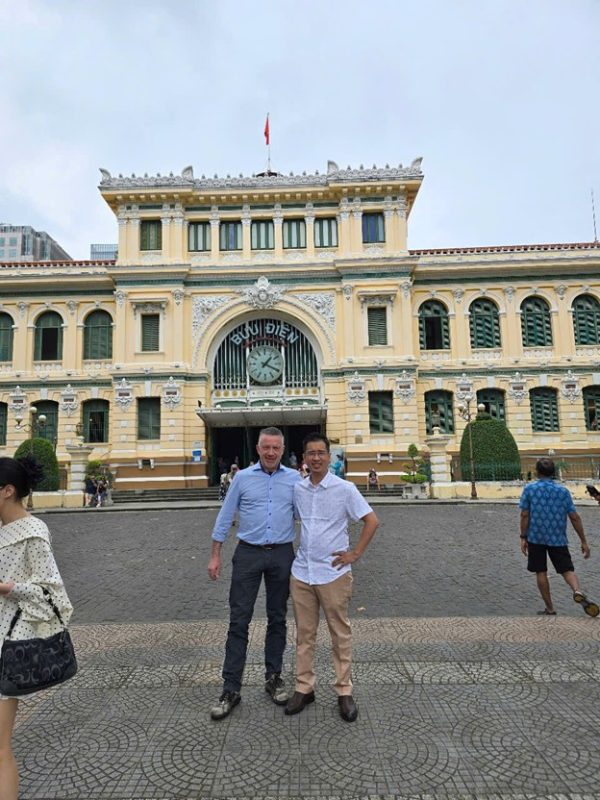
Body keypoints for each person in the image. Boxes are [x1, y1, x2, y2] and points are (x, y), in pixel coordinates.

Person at [208, 427, 301, 720]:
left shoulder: (295, 479)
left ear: (282, 450)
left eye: (276, 447)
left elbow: (308, 515)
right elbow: (226, 515)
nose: (271, 452)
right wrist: (215, 554)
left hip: (282, 553)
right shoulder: (243, 478)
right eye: (266, 447)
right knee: (239, 620)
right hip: (248, 553)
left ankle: (274, 677)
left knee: (278, 618)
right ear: (258, 449)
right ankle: (231, 688)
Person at [286, 433, 378, 722]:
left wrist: (355, 553)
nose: (316, 458)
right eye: (310, 453)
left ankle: (344, 690)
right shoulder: (298, 489)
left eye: (320, 453)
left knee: (340, 633)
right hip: (302, 572)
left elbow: (371, 520)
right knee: (304, 634)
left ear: (329, 456)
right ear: (304, 458)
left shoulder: (345, 489)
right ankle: (304, 687)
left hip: (333, 573)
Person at [0, 455, 73, 799]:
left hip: (7, 644)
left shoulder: (33, 532)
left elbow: (52, 594)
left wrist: (7, 587)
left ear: (7, 491)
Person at [519, 457, 599, 617]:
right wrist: (583, 541)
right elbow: (574, 517)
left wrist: (523, 536)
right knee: (566, 569)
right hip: (558, 537)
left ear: (537, 471)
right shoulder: (563, 491)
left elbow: (524, 515)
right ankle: (577, 590)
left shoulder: (530, 489)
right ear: (553, 472)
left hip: (536, 537)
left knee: (540, 571)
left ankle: (550, 608)